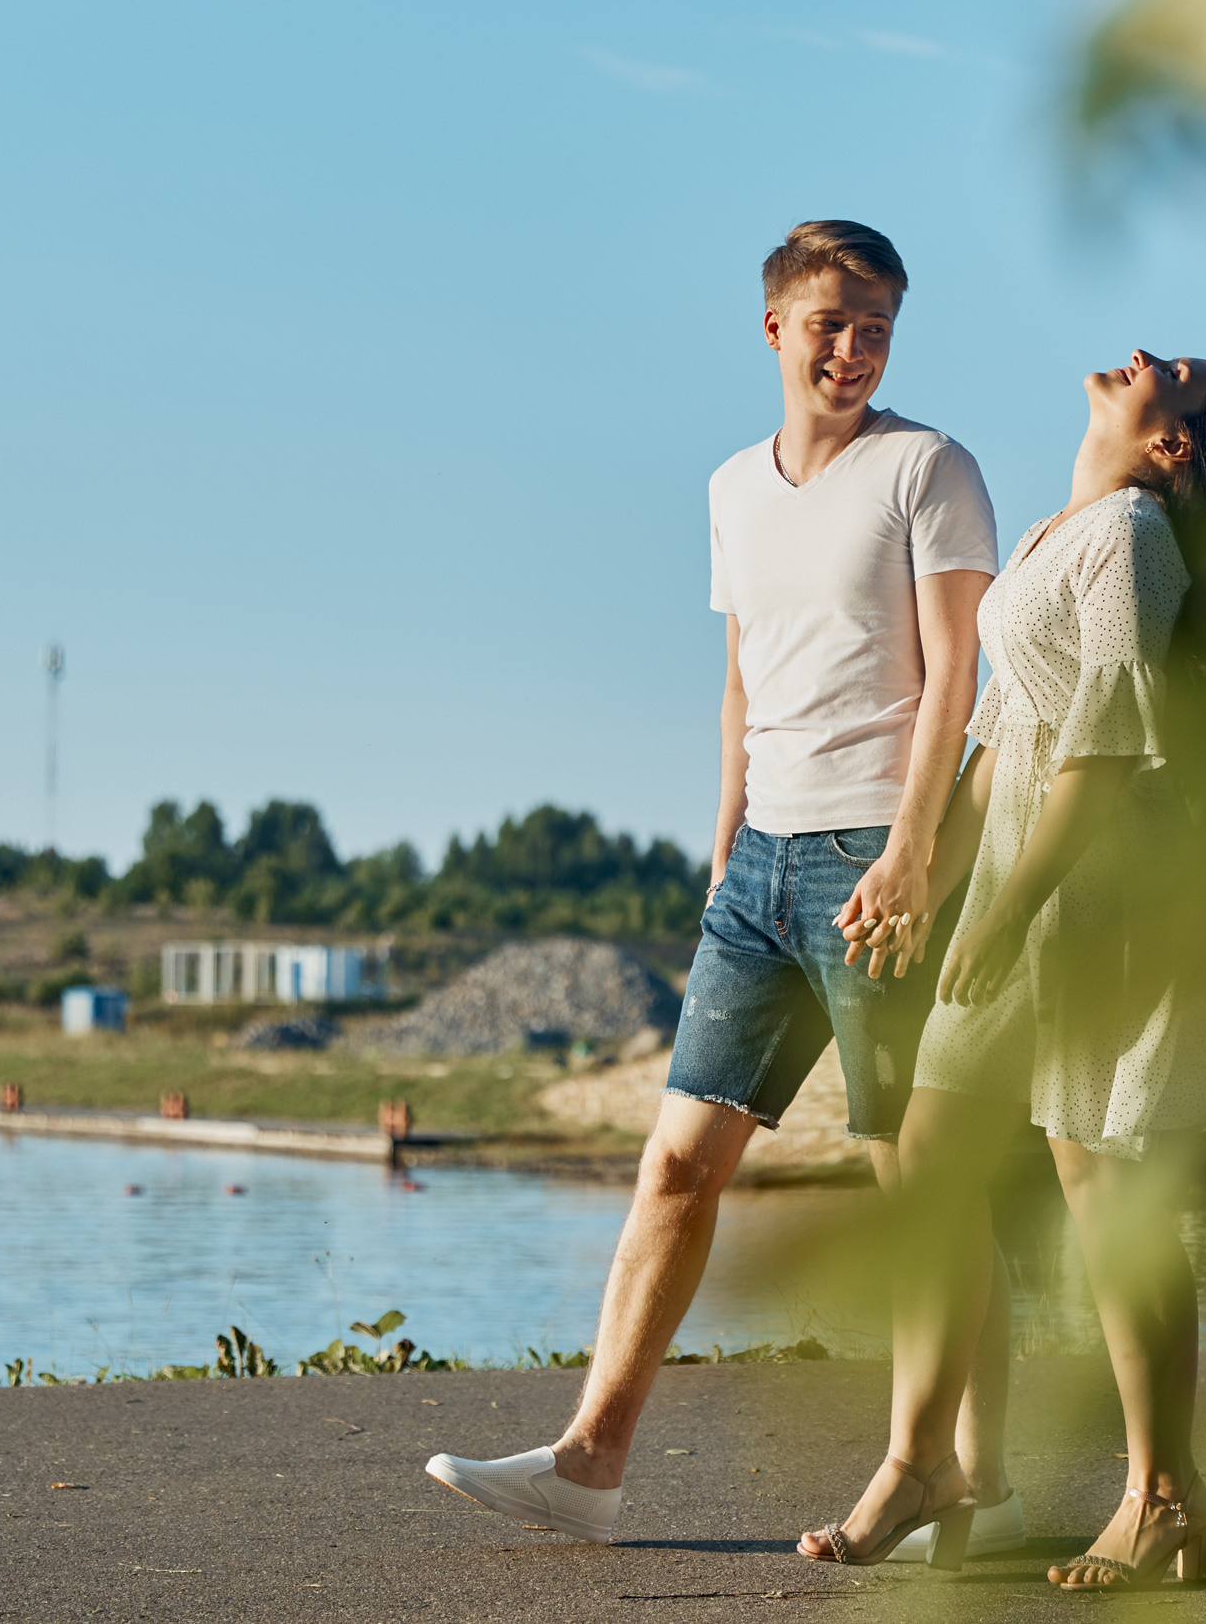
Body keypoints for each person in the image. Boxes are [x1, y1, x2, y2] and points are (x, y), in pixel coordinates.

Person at [426, 221, 1025, 1557]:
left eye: (878, 326)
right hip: (758, 873)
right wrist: (724, 845)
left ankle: (957, 1472)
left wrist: (918, 851)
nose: (856, 349)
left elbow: (955, 682)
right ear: (773, 328)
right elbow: (746, 678)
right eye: (832, 323)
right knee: (678, 1161)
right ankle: (589, 1461)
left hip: (878, 858)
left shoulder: (928, 469)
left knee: (915, 1173)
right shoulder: (731, 491)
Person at [796, 349, 1206, 1585]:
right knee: (937, 1163)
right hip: (1019, 892)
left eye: (1170, 372)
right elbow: (1010, 733)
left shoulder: (1129, 535)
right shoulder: (1070, 528)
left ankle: (1161, 1493)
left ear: (1173, 442)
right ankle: (929, 1462)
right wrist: (923, 883)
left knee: (1108, 1190)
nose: (1139, 360)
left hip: (1099, 894)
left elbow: (1104, 746)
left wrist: (1004, 912)